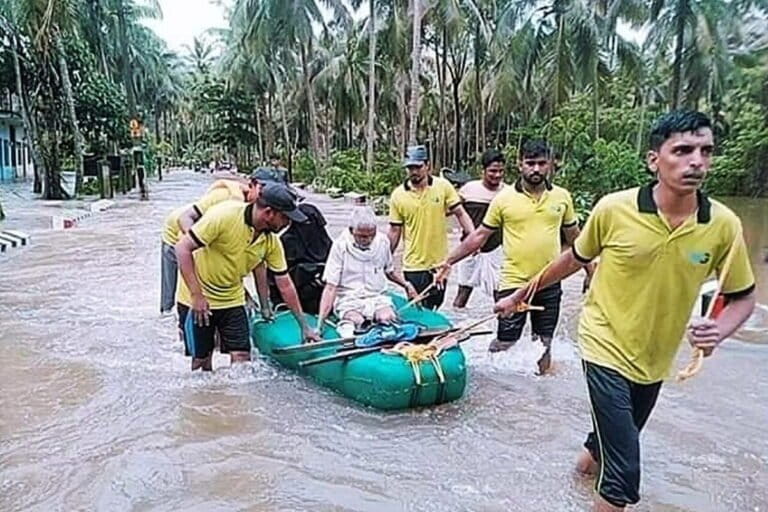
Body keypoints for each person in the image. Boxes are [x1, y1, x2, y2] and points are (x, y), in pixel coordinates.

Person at [494, 110, 756, 511]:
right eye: (683, 150)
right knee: (624, 474)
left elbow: (742, 297)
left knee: (607, 445)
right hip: (603, 346)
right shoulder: (615, 209)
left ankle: (568, 488)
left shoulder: (723, 225)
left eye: (705, 151)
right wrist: (518, 296)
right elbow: (574, 258)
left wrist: (718, 331)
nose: (696, 162)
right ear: (654, 160)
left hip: (654, 359)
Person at [438, 140, 591, 374]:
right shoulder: (504, 199)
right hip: (512, 282)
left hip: (549, 283)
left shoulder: (562, 197)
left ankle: (539, 399)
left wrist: (591, 271)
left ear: (550, 164)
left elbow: (575, 238)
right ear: (520, 165)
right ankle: (493, 385)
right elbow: (479, 235)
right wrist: (448, 261)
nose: (536, 169)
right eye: (530, 163)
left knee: (543, 344)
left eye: (542, 163)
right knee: (505, 343)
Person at [175, 182, 320, 371]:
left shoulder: (271, 242)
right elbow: (182, 248)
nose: (288, 224)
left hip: (232, 300)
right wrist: (197, 295)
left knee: (243, 358)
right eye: (285, 218)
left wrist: (304, 326)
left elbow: (285, 284)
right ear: (269, 213)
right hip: (198, 300)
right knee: (202, 363)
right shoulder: (224, 216)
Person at [160, 171, 268, 315]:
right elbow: (184, 218)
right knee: (177, 297)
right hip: (175, 234)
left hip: (199, 239)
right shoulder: (225, 197)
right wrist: (198, 243)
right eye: (264, 189)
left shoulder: (260, 216)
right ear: (252, 185)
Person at [388, 145, 475, 310]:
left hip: (440, 264)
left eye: (418, 167)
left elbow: (460, 213)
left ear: (428, 165)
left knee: (436, 304)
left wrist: (473, 237)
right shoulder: (398, 195)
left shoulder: (443, 187)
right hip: (413, 264)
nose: (414, 171)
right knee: (418, 307)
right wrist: (384, 256)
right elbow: (394, 230)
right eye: (410, 168)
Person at [317, 206, 418, 336]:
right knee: (356, 322)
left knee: (387, 318)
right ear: (351, 230)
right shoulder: (340, 246)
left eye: (371, 235)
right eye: (362, 236)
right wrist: (320, 324)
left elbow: (389, 271)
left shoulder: (382, 242)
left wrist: (407, 285)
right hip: (348, 299)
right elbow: (331, 287)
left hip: (376, 297)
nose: (367, 240)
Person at [452, 149, 507, 308]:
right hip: (469, 247)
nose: (497, 175)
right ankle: (458, 324)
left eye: (500, 171)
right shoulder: (468, 189)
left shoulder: (508, 192)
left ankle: (501, 326)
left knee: (500, 293)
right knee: (463, 291)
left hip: (496, 249)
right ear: (483, 170)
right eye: (492, 171)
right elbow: (454, 211)